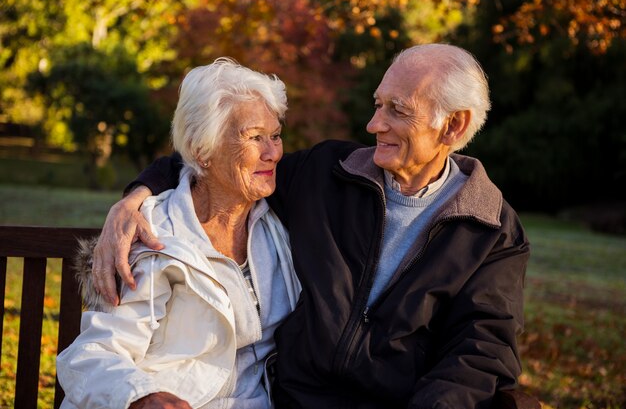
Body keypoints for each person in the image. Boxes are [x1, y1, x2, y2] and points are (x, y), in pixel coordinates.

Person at [93, 43, 530, 408]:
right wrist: (135, 197)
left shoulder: (492, 231)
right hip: (288, 402)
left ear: (453, 125)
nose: (373, 124)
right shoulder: (328, 172)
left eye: (398, 110)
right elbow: (214, 164)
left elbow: (481, 352)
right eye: (378, 104)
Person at [56, 58, 301, 409]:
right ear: (203, 152)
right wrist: (141, 398)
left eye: (275, 136)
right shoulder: (154, 232)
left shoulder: (280, 224)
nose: (273, 153)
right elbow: (95, 352)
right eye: (255, 138)